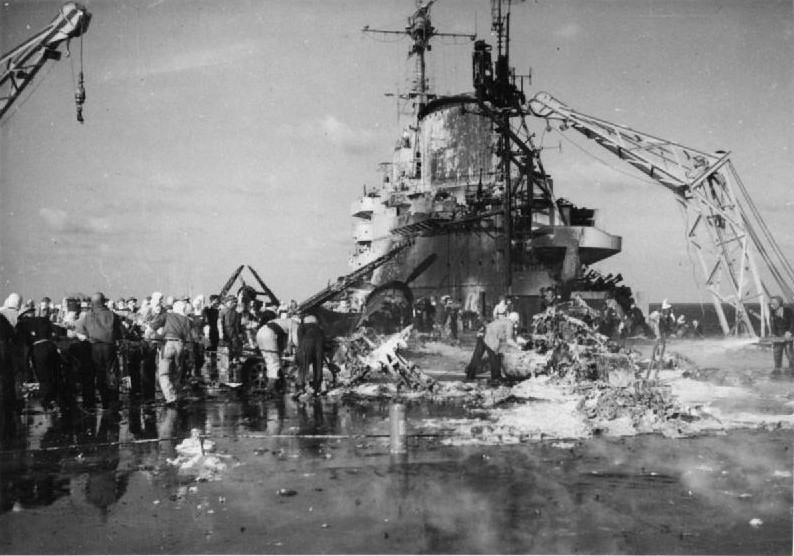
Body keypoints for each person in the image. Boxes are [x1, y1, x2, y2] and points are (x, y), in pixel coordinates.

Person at [74, 292, 126, 407]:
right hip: (109, 347)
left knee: (100, 374)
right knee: (112, 373)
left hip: (94, 348)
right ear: (103, 302)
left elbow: (81, 330)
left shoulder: (88, 315)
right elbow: (120, 332)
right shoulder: (112, 314)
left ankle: (105, 401)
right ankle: (113, 400)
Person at [147, 300, 193, 406]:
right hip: (180, 346)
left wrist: (148, 336)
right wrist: (190, 355)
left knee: (163, 374)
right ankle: (176, 395)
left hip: (167, 344)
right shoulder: (188, 320)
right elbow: (190, 338)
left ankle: (171, 398)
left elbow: (151, 327)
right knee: (176, 373)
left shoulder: (167, 315)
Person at [255, 316, 299, 395]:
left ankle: (272, 386)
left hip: (260, 333)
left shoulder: (283, 321)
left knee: (269, 360)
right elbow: (296, 341)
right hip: (269, 334)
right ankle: (272, 388)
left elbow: (283, 339)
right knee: (274, 362)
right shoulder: (295, 324)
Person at [295, 313, 326, 397]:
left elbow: (300, 342)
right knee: (318, 365)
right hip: (320, 342)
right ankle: (316, 388)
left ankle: (301, 387)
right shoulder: (319, 327)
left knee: (303, 365)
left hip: (307, 343)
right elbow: (324, 338)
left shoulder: (302, 326)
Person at [646, 299, 676, 381]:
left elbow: (671, 323)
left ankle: (655, 375)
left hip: (662, 331)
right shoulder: (657, 314)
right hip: (658, 330)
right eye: (668, 308)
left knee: (661, 351)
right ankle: (649, 375)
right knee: (658, 342)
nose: (669, 310)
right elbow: (650, 319)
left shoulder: (668, 315)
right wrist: (654, 326)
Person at [769, 296, 794, 375]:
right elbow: (772, 324)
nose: (771, 305)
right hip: (778, 335)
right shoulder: (772, 312)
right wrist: (773, 333)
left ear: (779, 304)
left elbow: (793, 322)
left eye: (773, 303)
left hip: (788, 334)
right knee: (777, 352)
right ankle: (777, 369)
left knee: (789, 352)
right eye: (771, 303)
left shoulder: (788, 311)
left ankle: (792, 369)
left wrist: (790, 332)